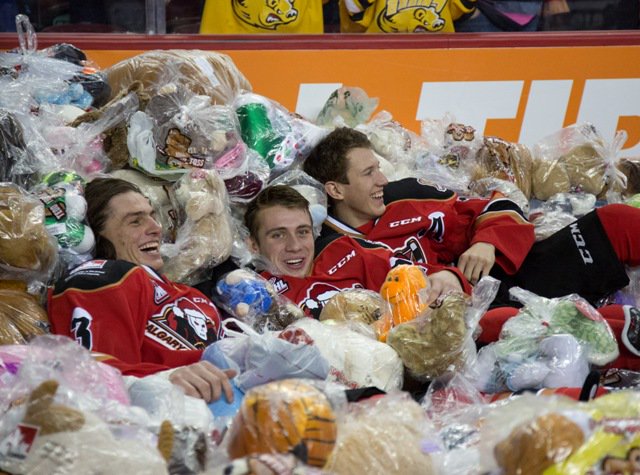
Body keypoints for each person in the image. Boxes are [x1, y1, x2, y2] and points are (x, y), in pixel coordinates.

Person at [303, 126, 639, 308]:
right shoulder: (329, 253)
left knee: (617, 220)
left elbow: (496, 204)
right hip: (463, 323)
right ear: (335, 190)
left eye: (378, 168)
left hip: (509, 277)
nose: (382, 179)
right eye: (368, 173)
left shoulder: (404, 195)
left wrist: (487, 242)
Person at [48, 177, 236, 403]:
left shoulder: (192, 295)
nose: (156, 228)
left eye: (152, 216)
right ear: (95, 237)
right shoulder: (104, 278)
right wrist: (166, 380)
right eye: (135, 222)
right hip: (171, 424)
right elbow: (97, 382)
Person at [240, 184, 473, 318]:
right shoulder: (251, 292)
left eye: (302, 232)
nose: (295, 246)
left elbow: (420, 274)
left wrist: (446, 277)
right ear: (253, 245)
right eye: (278, 235)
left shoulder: (346, 251)